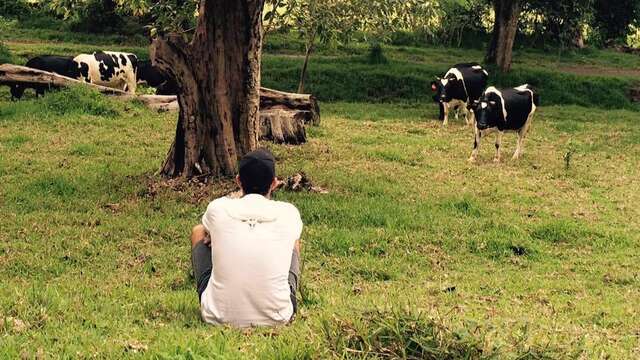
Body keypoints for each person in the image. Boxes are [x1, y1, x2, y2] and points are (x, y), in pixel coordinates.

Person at [190, 149, 303, 327]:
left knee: (198, 231)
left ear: (238, 181)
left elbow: (205, 232)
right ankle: (285, 294)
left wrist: (218, 236)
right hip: (278, 317)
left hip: (217, 316)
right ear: (274, 184)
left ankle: (217, 298)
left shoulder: (218, 208)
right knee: (294, 240)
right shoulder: (289, 213)